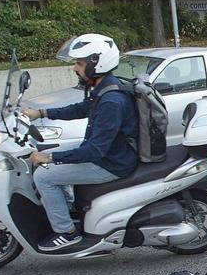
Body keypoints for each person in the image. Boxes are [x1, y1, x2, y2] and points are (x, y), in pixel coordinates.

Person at [21, 34, 138, 252]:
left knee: (44, 176)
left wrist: (51, 157)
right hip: (108, 154)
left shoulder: (112, 100)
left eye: (80, 63)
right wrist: (41, 112)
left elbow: (94, 151)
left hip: (112, 163)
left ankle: (67, 232)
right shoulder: (105, 87)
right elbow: (81, 109)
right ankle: (67, 208)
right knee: (49, 157)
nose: (75, 68)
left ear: (97, 63)